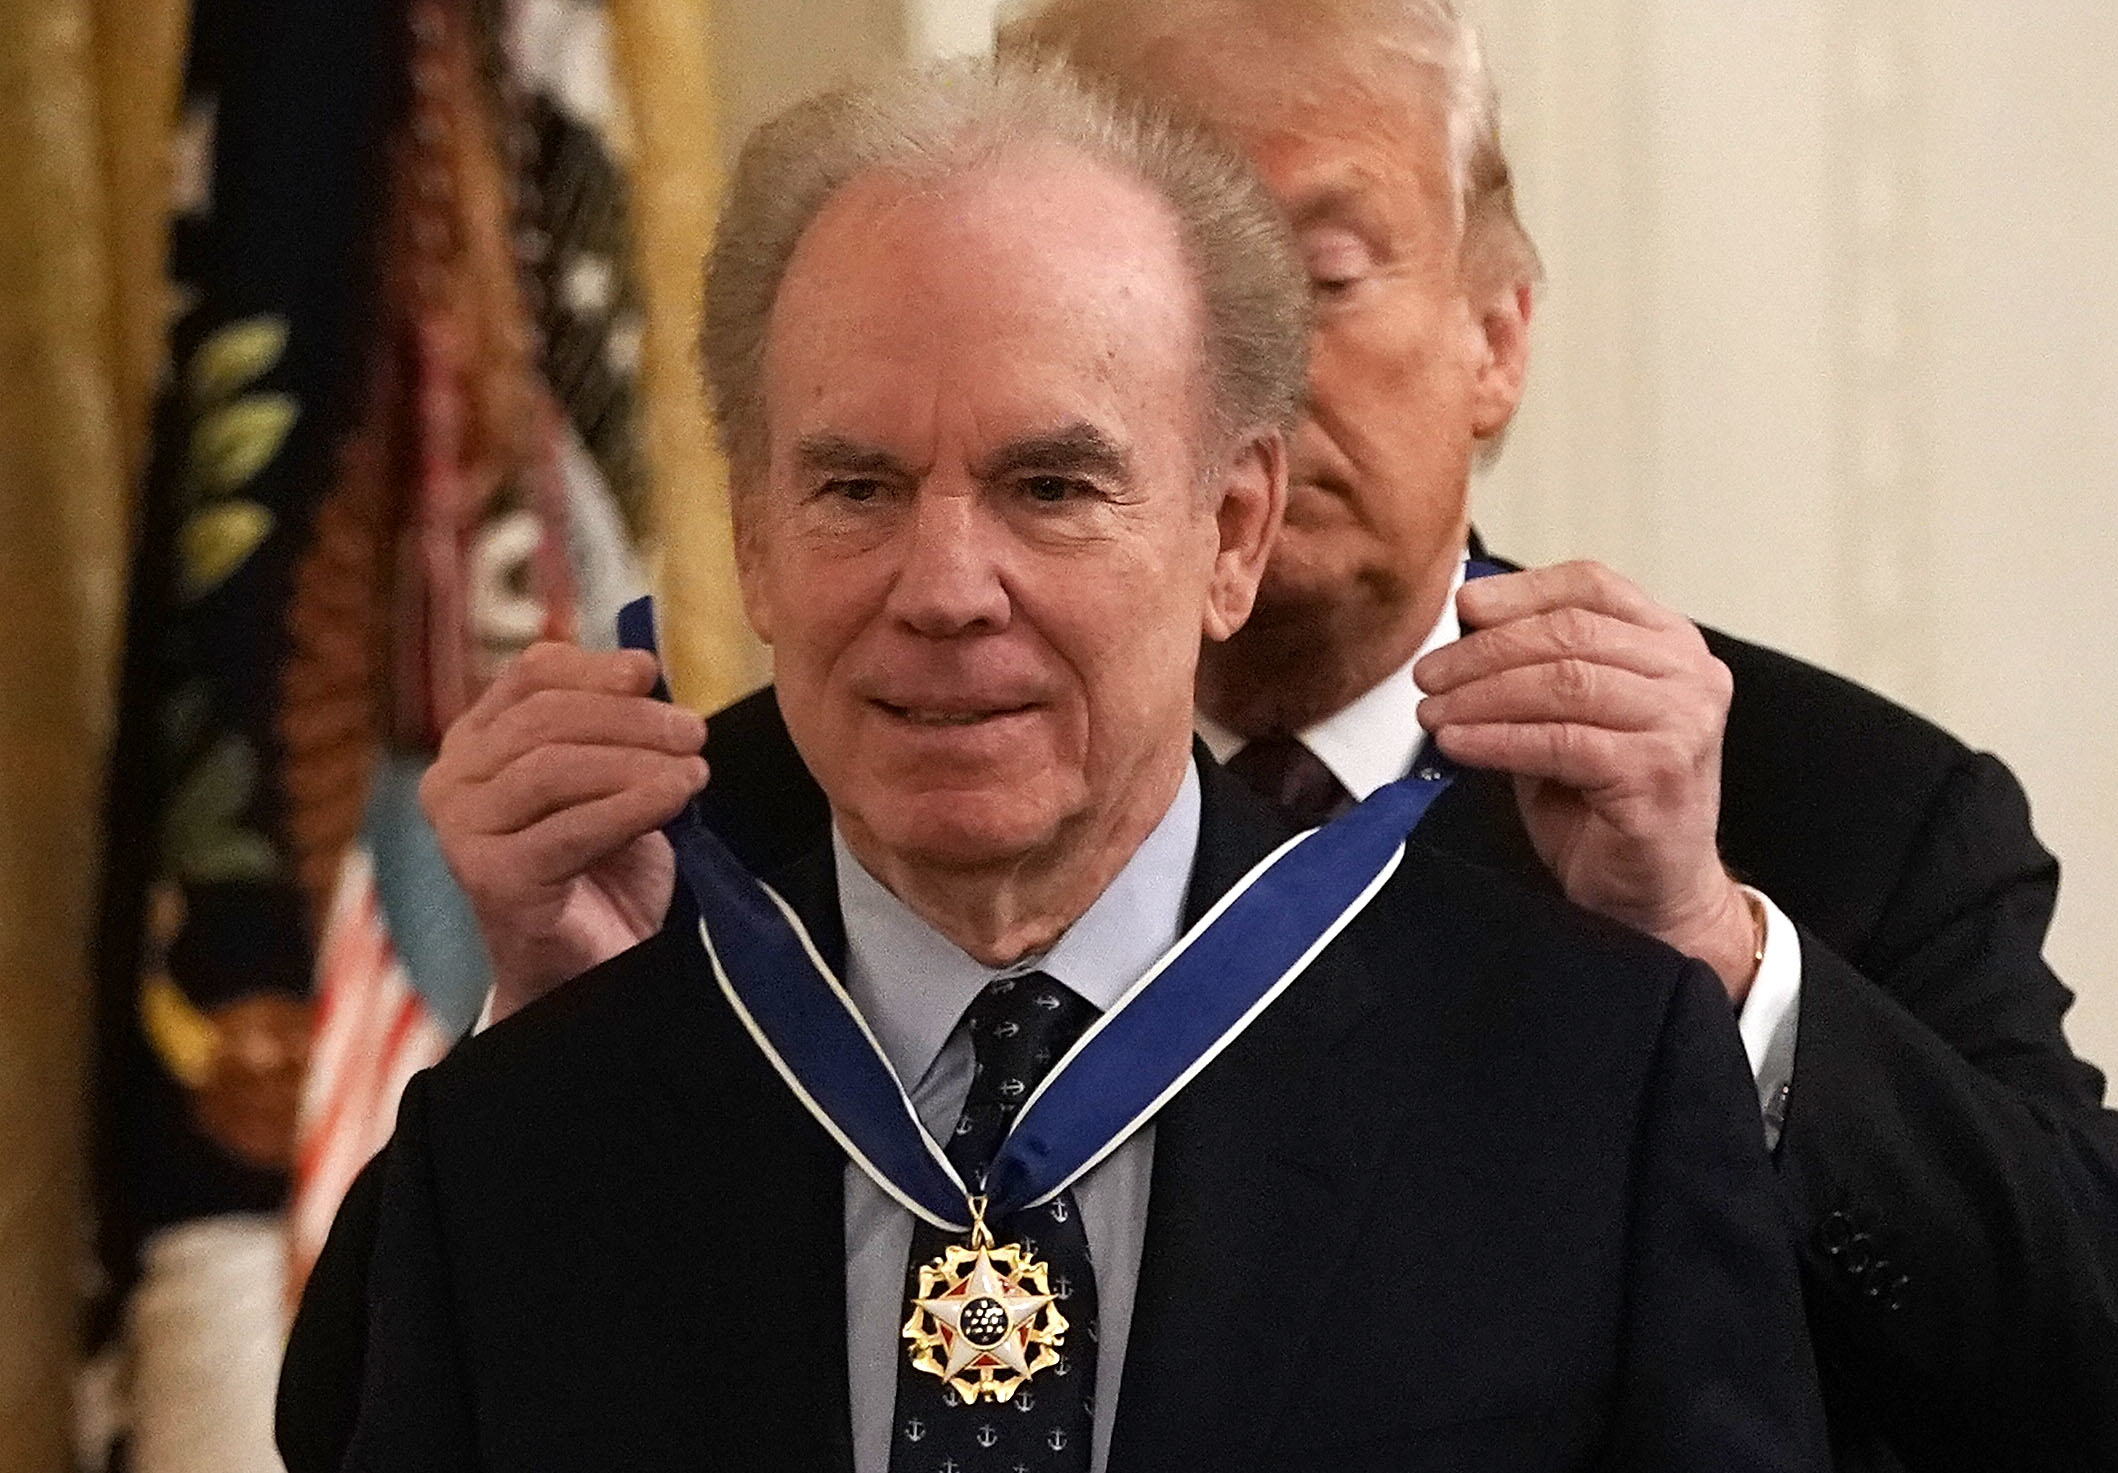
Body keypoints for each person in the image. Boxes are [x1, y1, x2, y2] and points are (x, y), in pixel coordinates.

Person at [283, 4, 2118, 1471]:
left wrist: (1717, 959)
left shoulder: (1809, 838)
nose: (948, 585)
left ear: (1495, 331)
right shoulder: (700, 842)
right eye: (855, 480)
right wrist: (541, 1012)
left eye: (1308, 269)